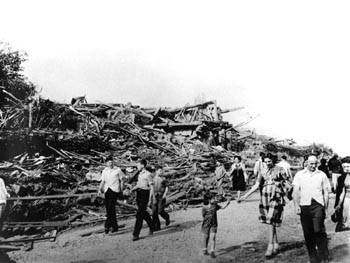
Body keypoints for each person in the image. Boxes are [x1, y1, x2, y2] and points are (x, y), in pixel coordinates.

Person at [240, 153, 291, 257]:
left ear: (273, 160)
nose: (267, 163)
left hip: (276, 196)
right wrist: (245, 196)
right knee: (270, 221)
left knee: (271, 219)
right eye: (265, 162)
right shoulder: (262, 170)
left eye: (269, 161)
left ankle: (270, 246)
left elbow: (287, 183)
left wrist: (280, 184)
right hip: (265, 195)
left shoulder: (280, 169)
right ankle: (276, 244)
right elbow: (257, 185)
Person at [292, 155, 331, 263]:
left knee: (318, 230)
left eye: (315, 164)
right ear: (306, 163)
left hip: (318, 204)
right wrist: (296, 206)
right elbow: (295, 191)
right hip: (304, 205)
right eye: (311, 164)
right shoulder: (299, 175)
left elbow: (326, 192)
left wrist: (326, 209)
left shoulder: (321, 175)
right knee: (308, 232)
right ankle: (313, 257)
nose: (313, 166)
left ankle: (324, 254)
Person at [97, 155, 125, 234]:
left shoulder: (117, 170)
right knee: (108, 208)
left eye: (111, 161)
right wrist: (99, 190)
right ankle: (113, 226)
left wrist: (121, 189)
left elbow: (122, 180)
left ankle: (108, 225)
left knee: (111, 207)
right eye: (109, 161)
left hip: (114, 189)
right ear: (106, 163)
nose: (110, 163)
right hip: (107, 190)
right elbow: (102, 181)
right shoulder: (105, 171)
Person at [131, 159, 155, 241]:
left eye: (138, 165)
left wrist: (150, 199)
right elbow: (139, 185)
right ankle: (152, 226)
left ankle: (136, 234)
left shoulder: (148, 174)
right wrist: (132, 189)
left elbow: (152, 187)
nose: (137, 167)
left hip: (145, 194)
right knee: (143, 212)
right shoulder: (140, 174)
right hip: (139, 194)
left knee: (139, 214)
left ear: (143, 165)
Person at [201, 191, 230, 258]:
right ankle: (205, 249)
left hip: (213, 224)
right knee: (206, 237)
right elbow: (203, 215)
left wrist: (228, 203)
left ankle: (212, 251)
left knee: (213, 237)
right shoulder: (204, 207)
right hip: (206, 224)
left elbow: (222, 207)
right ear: (208, 200)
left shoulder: (215, 206)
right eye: (212, 198)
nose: (214, 199)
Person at [334, 156, 350, 231]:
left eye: (348, 166)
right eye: (344, 167)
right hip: (347, 199)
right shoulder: (343, 177)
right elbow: (342, 192)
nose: (346, 168)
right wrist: (339, 204)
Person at [152, 165, 170, 231]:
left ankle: (166, 217)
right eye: (160, 171)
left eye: (162, 171)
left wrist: (165, 194)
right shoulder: (153, 178)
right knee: (154, 212)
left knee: (160, 210)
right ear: (156, 171)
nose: (161, 172)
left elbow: (167, 187)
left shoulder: (163, 179)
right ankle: (157, 226)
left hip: (161, 196)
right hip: (154, 195)